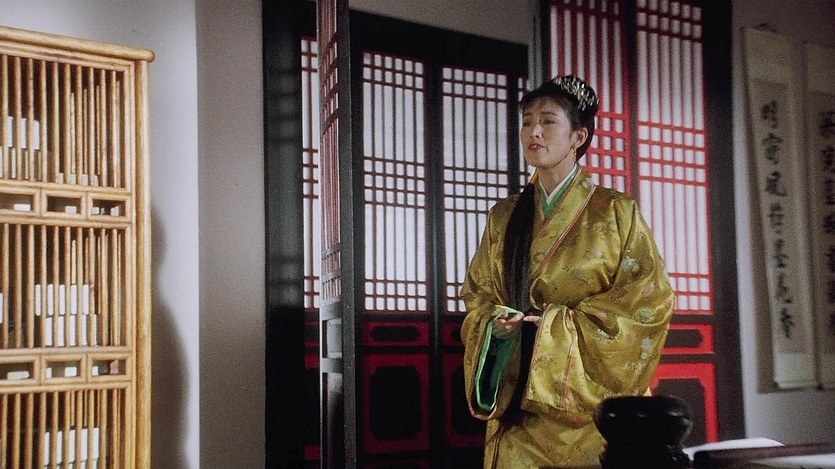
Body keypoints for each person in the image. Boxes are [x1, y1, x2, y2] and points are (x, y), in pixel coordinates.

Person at [460, 75, 675, 468]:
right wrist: (495, 325)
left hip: (593, 417)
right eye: (527, 122)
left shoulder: (615, 212)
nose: (533, 132)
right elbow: (479, 294)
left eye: (547, 121)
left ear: (578, 137)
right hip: (519, 404)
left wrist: (552, 328)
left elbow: (647, 303)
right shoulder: (504, 216)